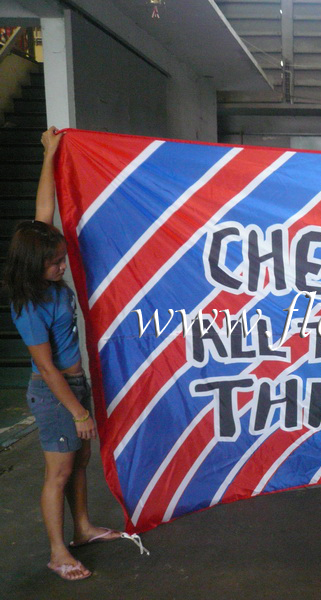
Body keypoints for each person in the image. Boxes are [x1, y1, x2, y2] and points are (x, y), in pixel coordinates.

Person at [4, 127, 122, 581]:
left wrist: (49, 154)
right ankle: (58, 553)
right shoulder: (30, 305)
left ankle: (83, 529)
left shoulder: (45, 271)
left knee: (79, 463)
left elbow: (43, 211)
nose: (61, 265)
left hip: (74, 384)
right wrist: (77, 411)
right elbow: (46, 367)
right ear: (35, 265)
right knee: (58, 472)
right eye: (55, 263)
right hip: (55, 393)